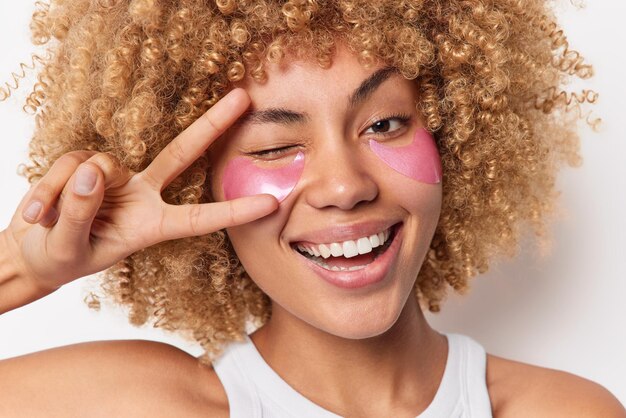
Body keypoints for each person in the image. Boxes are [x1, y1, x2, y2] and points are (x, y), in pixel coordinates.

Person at [0, 0, 624, 416]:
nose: (343, 185)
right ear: (199, 187)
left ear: (453, 137)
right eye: (274, 146)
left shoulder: (565, 409)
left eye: (384, 123)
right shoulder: (145, 405)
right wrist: (21, 271)